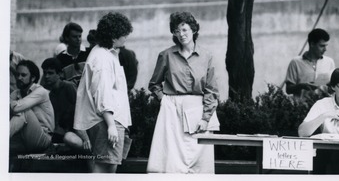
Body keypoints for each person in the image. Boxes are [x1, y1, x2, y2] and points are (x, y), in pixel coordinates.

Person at [147, 12, 220, 173]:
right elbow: (154, 84)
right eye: (177, 31)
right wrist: (164, 101)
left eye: (185, 30)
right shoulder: (166, 55)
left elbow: (211, 90)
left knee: (201, 164)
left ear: (193, 30)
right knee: (172, 162)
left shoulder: (206, 56)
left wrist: (205, 118)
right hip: (172, 113)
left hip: (199, 112)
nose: (181, 34)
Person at [73, 12, 133, 173]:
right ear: (113, 36)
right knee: (104, 168)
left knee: (109, 166)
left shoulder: (105, 54)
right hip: (106, 121)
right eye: (124, 34)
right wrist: (111, 125)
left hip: (109, 120)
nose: (126, 37)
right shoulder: (102, 58)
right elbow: (102, 92)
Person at [298, 67, 339, 174]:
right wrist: (325, 115)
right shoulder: (322, 104)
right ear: (333, 87)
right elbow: (302, 132)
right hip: (328, 155)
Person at [10, 60, 55, 154]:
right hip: (24, 137)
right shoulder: (16, 93)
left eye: (23, 75)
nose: (19, 78)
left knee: (24, 111)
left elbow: (16, 108)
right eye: (17, 75)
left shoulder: (40, 91)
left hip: (43, 138)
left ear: (33, 78)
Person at [285, 28, 335, 103]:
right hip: (302, 108)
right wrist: (302, 86)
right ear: (312, 44)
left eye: (326, 46)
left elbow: (333, 88)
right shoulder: (295, 62)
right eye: (322, 46)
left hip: (323, 107)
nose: (325, 49)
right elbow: (288, 90)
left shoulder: (329, 62)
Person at [56, 22, 90, 86]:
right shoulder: (60, 59)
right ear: (66, 38)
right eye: (75, 37)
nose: (78, 39)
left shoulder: (89, 53)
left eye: (80, 36)